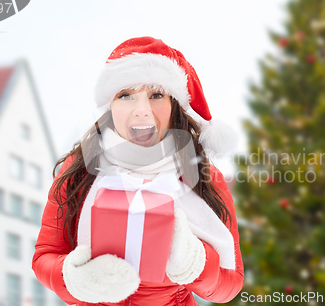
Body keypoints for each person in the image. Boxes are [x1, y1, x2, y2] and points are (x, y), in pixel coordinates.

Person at [32, 36, 244, 306]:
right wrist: (74, 279)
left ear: (174, 106)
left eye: (156, 95)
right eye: (126, 95)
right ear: (111, 105)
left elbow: (230, 283)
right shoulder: (79, 168)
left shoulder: (202, 174)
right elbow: (46, 256)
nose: (142, 110)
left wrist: (194, 260)